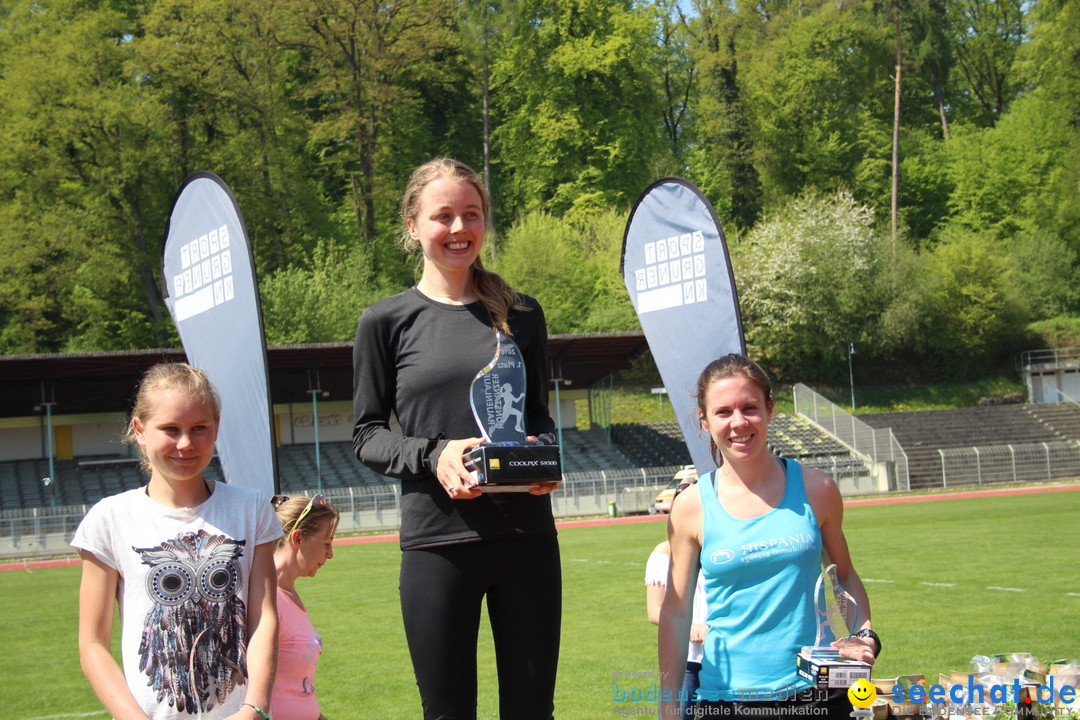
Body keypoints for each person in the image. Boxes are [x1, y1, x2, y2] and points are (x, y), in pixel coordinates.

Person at [351, 157, 561, 720]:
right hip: (437, 547)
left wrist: (542, 458)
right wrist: (434, 454)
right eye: (443, 216)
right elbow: (367, 435)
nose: (459, 229)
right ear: (414, 226)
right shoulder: (385, 321)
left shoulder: (522, 314)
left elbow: (538, 416)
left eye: (471, 214)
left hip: (527, 540)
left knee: (531, 711)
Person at [659, 354, 880, 719]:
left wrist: (864, 632)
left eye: (750, 408)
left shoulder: (817, 488)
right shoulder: (690, 506)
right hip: (727, 700)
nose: (739, 422)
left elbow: (843, 575)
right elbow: (677, 611)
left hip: (819, 696)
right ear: (704, 420)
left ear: (770, 409)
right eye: (723, 412)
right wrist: (668, 707)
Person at [71, 362, 281, 720]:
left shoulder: (251, 508)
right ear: (139, 429)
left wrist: (255, 708)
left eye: (199, 428)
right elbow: (92, 642)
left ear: (216, 430)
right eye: (170, 429)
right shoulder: (110, 519)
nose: (185, 443)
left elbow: (264, 619)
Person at [270, 494, 339, 720]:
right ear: (297, 538)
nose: (330, 555)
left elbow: (297, 692)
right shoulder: (267, 599)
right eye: (326, 543)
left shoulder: (288, 596)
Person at [645, 538, 707, 719]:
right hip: (686, 661)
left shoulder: (722, 547)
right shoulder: (664, 552)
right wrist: (693, 629)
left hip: (723, 658)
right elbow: (655, 611)